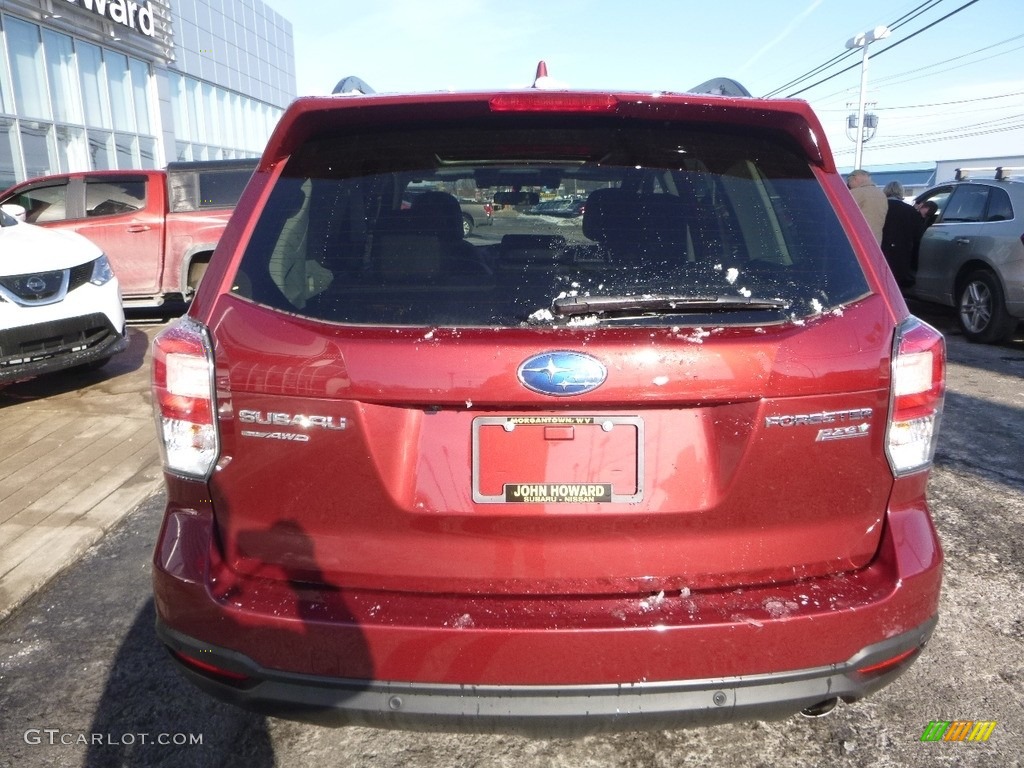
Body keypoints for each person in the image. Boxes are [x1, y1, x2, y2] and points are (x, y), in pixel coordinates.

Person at [880, 181, 924, 290]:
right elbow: (918, 234)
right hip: (901, 253)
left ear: (885, 191)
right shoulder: (910, 211)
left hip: (881, 248)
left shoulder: (880, 207)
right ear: (901, 192)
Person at [847, 169, 888, 244]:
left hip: (858, 239)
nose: (849, 185)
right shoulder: (881, 194)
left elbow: (841, 213)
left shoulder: (856, 193)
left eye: (849, 181)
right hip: (876, 240)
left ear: (855, 178)